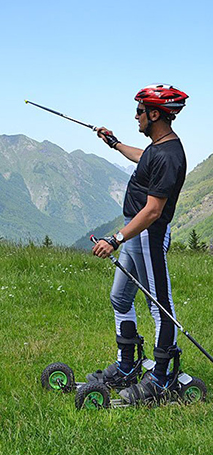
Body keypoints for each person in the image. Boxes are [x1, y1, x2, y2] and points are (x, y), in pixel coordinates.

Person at [89, 84, 188, 404]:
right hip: (135, 234)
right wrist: (115, 143)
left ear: (155, 114)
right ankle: (127, 366)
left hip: (148, 234)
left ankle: (160, 379)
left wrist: (115, 238)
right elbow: (144, 157)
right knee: (120, 297)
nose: (136, 117)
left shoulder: (171, 156)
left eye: (140, 112)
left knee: (160, 307)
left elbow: (154, 210)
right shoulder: (158, 148)